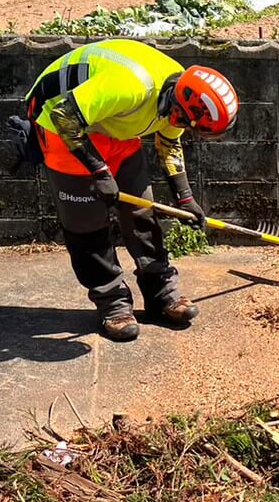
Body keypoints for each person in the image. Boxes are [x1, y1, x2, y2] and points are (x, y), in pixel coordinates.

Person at [16, 40, 239, 343]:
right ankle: (113, 303)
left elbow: (169, 142)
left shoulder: (179, 96)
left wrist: (185, 198)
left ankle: (161, 292)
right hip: (60, 122)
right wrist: (99, 170)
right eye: (187, 124)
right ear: (179, 108)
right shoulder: (132, 86)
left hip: (111, 122)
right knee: (87, 226)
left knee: (142, 209)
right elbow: (65, 116)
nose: (185, 129)